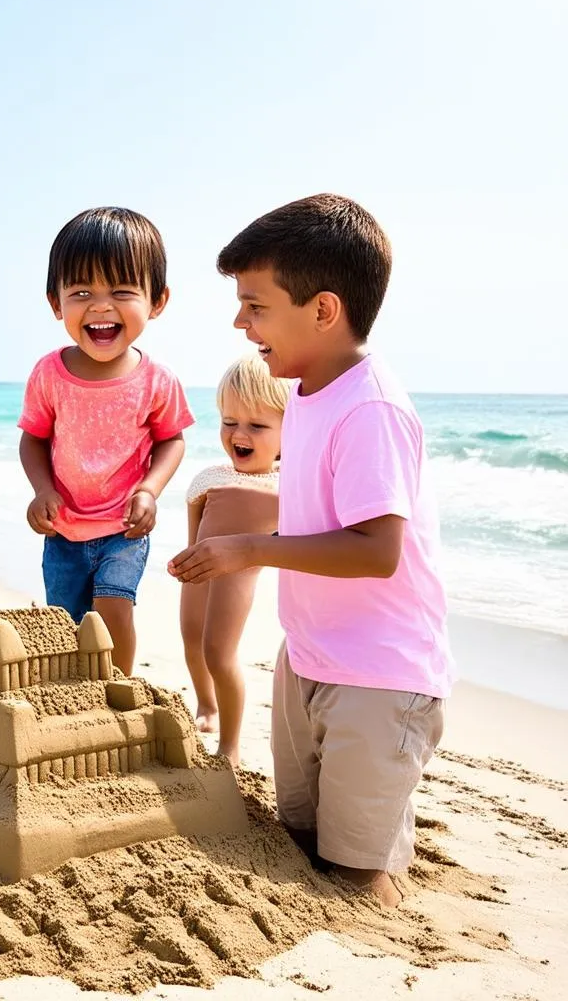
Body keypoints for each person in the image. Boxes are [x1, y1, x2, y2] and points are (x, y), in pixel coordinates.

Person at [168, 193, 453, 907]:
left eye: (256, 305)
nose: (240, 322)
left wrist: (247, 550)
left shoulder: (371, 406)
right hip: (310, 658)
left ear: (323, 310)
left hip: (380, 677)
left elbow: (376, 549)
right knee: (300, 836)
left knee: (355, 876)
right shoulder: (303, 393)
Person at [18, 206, 194, 676]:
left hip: (123, 527)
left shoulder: (156, 379)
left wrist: (149, 490)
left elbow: (171, 441)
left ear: (157, 300)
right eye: (80, 292)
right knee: (66, 624)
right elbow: (33, 439)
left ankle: (118, 689)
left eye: (121, 291)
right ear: (56, 303)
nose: (100, 306)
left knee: (113, 608)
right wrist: (42, 490)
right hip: (64, 530)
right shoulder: (49, 374)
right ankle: (76, 691)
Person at [179, 353, 288, 765]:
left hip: (238, 576)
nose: (239, 434)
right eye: (229, 422)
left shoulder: (288, 486)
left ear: (288, 431)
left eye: (257, 426)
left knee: (217, 652)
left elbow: (303, 541)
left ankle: (231, 744)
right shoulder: (210, 477)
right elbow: (195, 513)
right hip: (199, 570)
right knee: (191, 639)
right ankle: (205, 704)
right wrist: (188, 562)